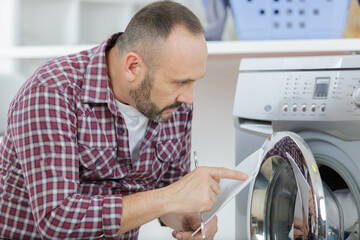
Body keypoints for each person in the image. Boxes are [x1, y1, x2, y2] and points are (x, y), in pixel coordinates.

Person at [0, 1, 248, 239]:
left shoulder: (175, 106)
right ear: (132, 67)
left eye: (195, 81)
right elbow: (58, 218)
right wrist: (172, 196)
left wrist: (191, 220)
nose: (189, 98)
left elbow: (169, 195)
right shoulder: (52, 91)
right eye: (180, 81)